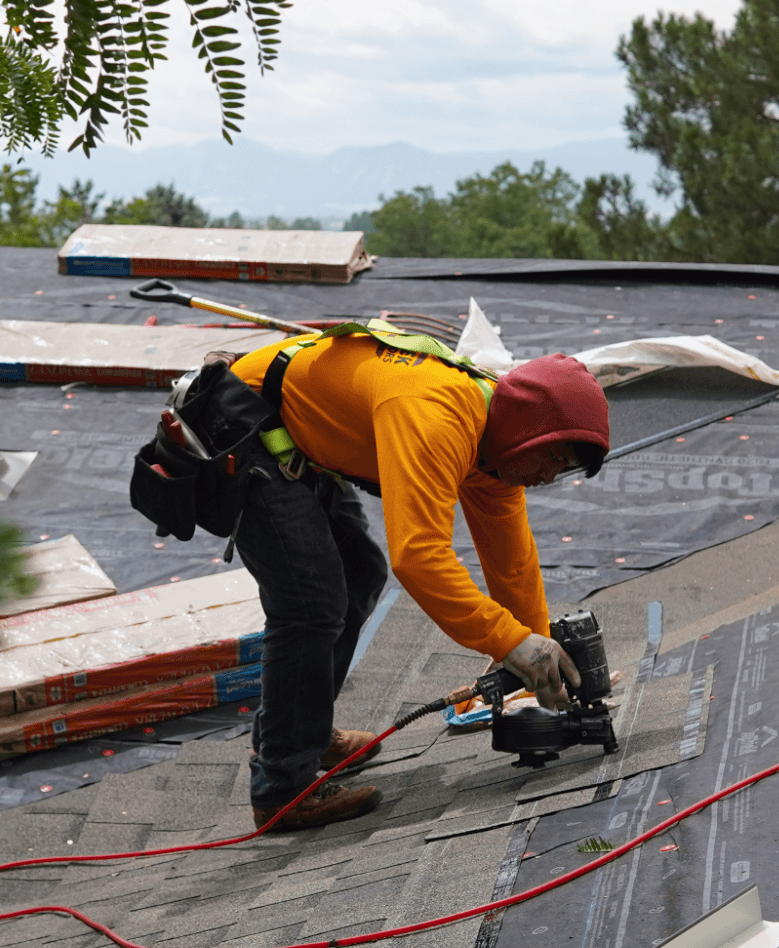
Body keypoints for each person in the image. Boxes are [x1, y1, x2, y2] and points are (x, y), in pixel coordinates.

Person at [226, 329, 610, 830]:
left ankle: (306, 735)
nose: (546, 480)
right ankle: (281, 787)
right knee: (311, 599)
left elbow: (511, 561)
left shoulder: (498, 449)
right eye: (554, 461)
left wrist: (539, 653)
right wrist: (511, 641)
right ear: (528, 432)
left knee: (359, 574)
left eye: (563, 472)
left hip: (297, 435)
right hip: (241, 423)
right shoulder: (439, 417)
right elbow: (419, 556)